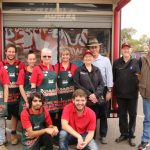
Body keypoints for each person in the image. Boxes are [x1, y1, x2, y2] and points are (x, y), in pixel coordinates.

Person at [113, 42, 140, 146]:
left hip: (133, 95)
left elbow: (140, 76)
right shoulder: (116, 63)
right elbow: (114, 78)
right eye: (124, 49)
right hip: (120, 95)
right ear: (121, 50)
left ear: (131, 50)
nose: (126, 50)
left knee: (133, 115)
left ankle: (131, 135)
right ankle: (123, 134)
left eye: (128, 49)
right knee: (122, 115)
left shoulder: (136, 62)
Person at [88, 38, 113, 144]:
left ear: (99, 48)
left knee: (103, 113)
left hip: (102, 91)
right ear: (89, 49)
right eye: (92, 47)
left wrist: (109, 91)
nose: (94, 49)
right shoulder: (87, 59)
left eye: (96, 47)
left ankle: (103, 134)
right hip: (91, 92)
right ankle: (91, 136)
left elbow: (109, 76)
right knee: (91, 114)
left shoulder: (105, 60)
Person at [0, 43, 25, 145]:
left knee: (15, 115)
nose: (11, 53)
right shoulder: (1, 64)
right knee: (4, 115)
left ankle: (13, 133)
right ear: (6, 52)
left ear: (15, 53)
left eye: (13, 52)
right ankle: (3, 135)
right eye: (9, 51)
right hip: (4, 96)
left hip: (17, 95)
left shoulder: (21, 64)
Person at [30, 48, 59, 127]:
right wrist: (34, 101)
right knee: (43, 123)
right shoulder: (37, 68)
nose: (47, 58)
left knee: (53, 123)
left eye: (49, 56)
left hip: (53, 101)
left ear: (51, 57)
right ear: (41, 58)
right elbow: (33, 85)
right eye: (45, 56)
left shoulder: (55, 68)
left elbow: (55, 83)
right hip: (42, 102)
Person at [138, 41, 150, 150]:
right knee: (148, 119)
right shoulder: (142, 59)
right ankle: (145, 140)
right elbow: (138, 74)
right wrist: (141, 84)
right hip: (147, 94)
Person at [0, 67, 9, 150]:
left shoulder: (2, 69)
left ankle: (1, 142)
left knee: (1, 122)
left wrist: (5, 103)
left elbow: (6, 87)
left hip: (0, 100)